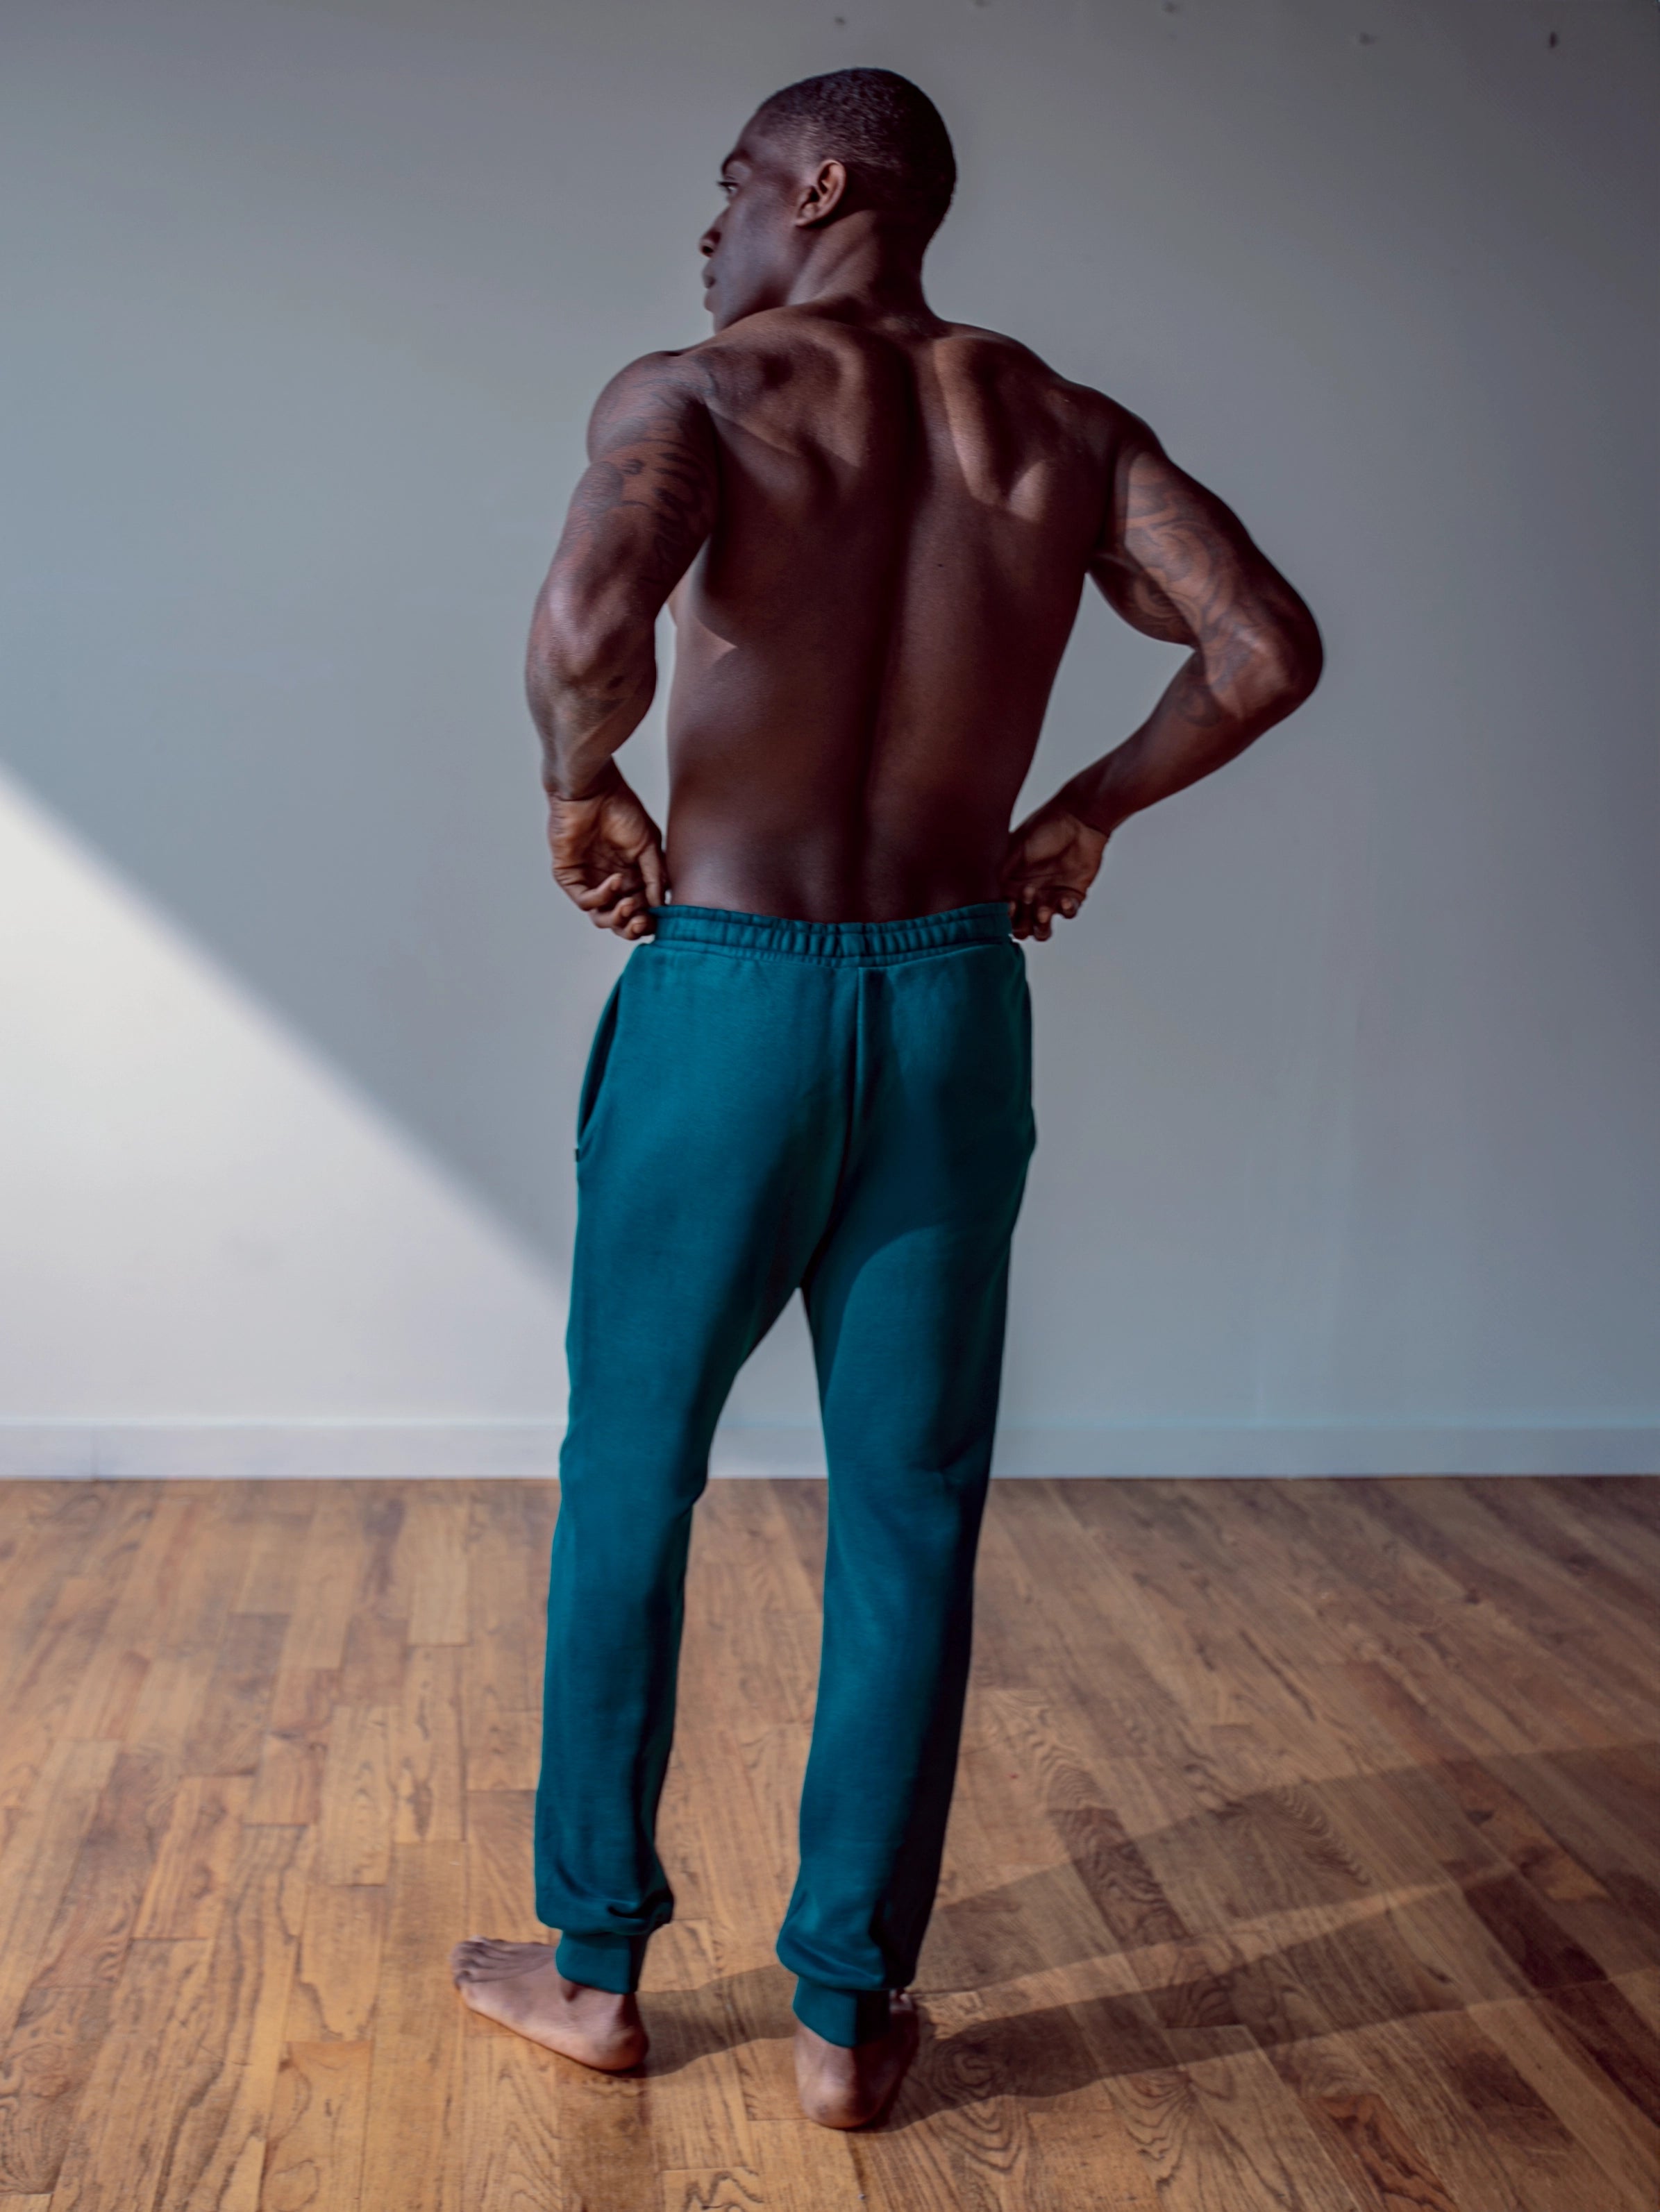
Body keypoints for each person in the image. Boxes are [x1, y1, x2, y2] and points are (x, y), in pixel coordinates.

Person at [451, 65, 1322, 2129]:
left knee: (632, 1469)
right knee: (911, 1507)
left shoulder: (695, 393)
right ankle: (849, 2021)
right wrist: (1087, 808)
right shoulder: (1060, 429)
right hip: (949, 996)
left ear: (824, 182)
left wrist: (580, 789)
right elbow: (1263, 647)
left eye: (735, 183)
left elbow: (586, 625)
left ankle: (595, 1972)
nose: (713, 226)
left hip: (732, 999)